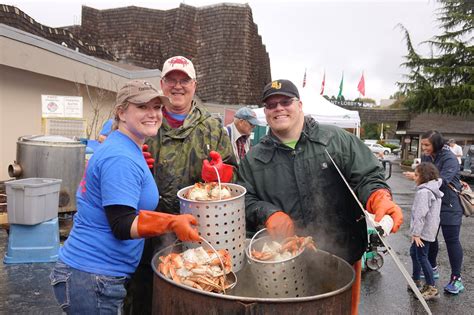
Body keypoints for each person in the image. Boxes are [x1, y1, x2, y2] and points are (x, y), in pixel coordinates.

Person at [237, 79, 403, 315]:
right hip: (284, 262)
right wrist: (267, 213)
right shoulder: (254, 158)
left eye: (286, 101)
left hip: (343, 256)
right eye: (271, 105)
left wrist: (379, 197)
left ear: (300, 105)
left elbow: (367, 175)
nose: (279, 108)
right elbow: (245, 198)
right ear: (265, 112)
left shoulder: (336, 140)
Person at [49, 80, 201, 313]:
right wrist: (170, 222)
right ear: (121, 112)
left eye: (157, 107)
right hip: (92, 276)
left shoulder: (128, 147)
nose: (153, 114)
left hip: (96, 275)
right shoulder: (120, 157)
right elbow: (122, 224)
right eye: (142, 107)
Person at [126, 56, 236, 314]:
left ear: (194, 85)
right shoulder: (143, 122)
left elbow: (234, 179)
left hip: (198, 232)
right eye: (171, 80)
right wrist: (132, 158)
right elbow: (114, 160)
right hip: (145, 231)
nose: (178, 86)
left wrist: (221, 172)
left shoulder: (212, 128)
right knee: (143, 295)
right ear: (161, 85)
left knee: (195, 297)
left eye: (184, 80)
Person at [403, 130, 464, 295]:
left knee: (451, 241)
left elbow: (442, 182)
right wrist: (418, 177)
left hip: (449, 204)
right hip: (431, 203)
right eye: (423, 144)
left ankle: (456, 278)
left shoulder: (450, 158)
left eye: (427, 145)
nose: (424, 148)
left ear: (437, 143)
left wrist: (417, 178)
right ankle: (432, 268)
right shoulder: (426, 156)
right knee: (430, 237)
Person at [409, 162, 443, 300]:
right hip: (429, 229)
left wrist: (416, 233)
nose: (414, 177)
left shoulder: (424, 192)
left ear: (424, 176)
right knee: (414, 253)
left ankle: (431, 288)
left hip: (422, 231)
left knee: (422, 257)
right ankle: (416, 281)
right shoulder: (433, 189)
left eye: (417, 175)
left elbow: (420, 214)